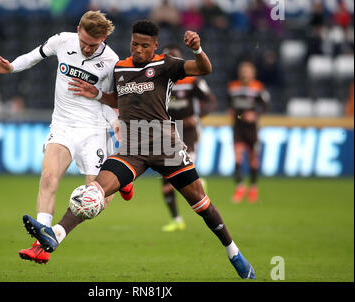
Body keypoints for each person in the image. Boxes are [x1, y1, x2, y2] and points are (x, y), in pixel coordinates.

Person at [22, 20, 255, 279]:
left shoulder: (166, 64)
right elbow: (118, 98)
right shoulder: (120, 68)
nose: (138, 50)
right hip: (132, 147)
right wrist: (97, 94)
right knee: (92, 194)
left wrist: (198, 50)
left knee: (201, 205)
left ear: (154, 46)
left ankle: (233, 251)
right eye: (134, 44)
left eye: (145, 46)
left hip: (165, 146)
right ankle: (54, 235)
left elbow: (204, 69)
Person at [0, 11, 134, 264]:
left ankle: (121, 180)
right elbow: (33, 57)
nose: (87, 48)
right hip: (63, 126)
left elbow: (111, 101)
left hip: (94, 130)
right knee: (48, 177)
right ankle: (42, 240)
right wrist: (11, 67)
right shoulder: (62, 40)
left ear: (104, 37)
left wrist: (116, 122)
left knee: (97, 201)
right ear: (78, 29)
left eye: (93, 45)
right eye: (84, 42)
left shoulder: (111, 60)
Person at [159, 44, 217, 232]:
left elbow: (210, 101)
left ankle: (197, 181)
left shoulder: (192, 81)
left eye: (173, 58)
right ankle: (176, 219)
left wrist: (197, 116)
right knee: (166, 178)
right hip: (168, 131)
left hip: (189, 131)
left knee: (182, 168)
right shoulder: (159, 83)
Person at [227, 60, 269, 203]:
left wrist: (255, 115)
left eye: (247, 70)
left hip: (252, 128)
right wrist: (231, 112)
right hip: (238, 127)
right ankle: (240, 187)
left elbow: (264, 106)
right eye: (243, 70)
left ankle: (253, 188)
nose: (245, 73)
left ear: (253, 73)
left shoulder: (258, 87)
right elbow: (229, 103)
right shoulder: (233, 87)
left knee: (252, 158)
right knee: (238, 156)